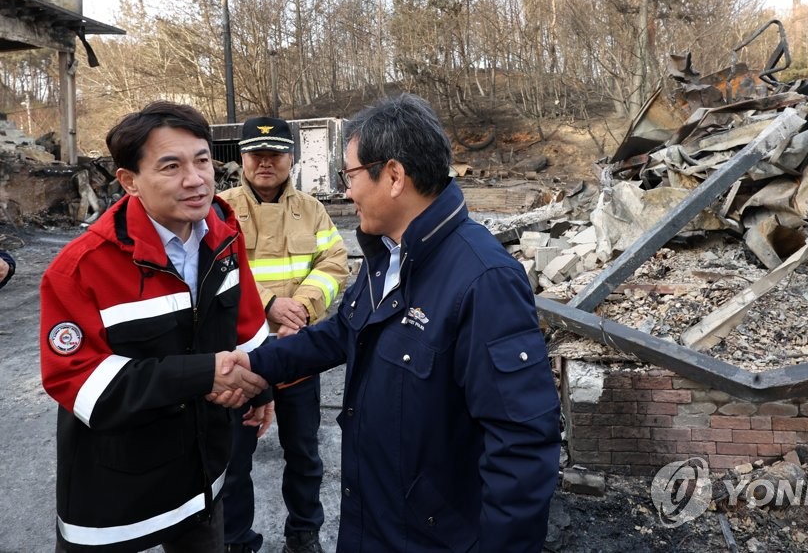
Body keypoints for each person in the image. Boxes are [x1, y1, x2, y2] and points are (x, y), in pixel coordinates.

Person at [219, 93, 561, 552]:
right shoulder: (390, 255)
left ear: (395, 176)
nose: (346, 191)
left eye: (351, 175)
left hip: (429, 535)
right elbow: (342, 332)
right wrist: (257, 363)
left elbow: (522, 449)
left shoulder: (483, 280)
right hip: (374, 520)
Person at [39, 101, 271, 553]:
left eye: (202, 160)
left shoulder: (223, 234)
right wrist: (204, 374)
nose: (196, 178)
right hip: (116, 493)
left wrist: (261, 388)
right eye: (171, 166)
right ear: (129, 181)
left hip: (203, 475)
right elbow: (79, 382)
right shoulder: (82, 268)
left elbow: (246, 325)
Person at [220, 117, 349, 553]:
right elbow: (210, 274)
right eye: (256, 154)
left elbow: (334, 262)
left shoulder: (312, 209)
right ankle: (237, 541)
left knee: (304, 453)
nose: (265, 162)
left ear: (291, 158)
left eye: (275, 153)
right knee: (233, 460)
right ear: (242, 158)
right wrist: (268, 304)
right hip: (239, 356)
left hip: (296, 350)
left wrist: (305, 306)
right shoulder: (219, 209)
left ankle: (304, 533)